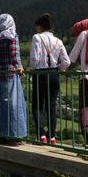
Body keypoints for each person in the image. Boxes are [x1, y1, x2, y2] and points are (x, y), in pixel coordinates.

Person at [0, 14, 27, 146]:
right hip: (8, 75)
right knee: (12, 105)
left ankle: (0, 136)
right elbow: (14, 55)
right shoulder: (11, 36)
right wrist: (19, 67)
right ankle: (13, 137)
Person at [29, 13, 69, 145]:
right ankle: (52, 136)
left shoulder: (37, 37)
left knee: (37, 105)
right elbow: (66, 61)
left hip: (40, 74)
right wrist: (60, 70)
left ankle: (41, 135)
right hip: (54, 74)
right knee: (52, 105)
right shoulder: (58, 41)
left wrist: (32, 68)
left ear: (39, 26)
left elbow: (34, 58)